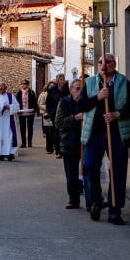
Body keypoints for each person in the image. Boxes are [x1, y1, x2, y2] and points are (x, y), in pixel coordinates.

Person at [75, 53, 130, 226]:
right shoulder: (90, 83)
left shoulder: (124, 82)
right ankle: (95, 201)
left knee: (117, 172)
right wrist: (97, 98)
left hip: (117, 135)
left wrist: (117, 114)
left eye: (107, 61)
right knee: (89, 167)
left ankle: (115, 210)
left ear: (114, 64)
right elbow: (80, 105)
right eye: (100, 62)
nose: (103, 64)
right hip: (94, 134)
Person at [53, 77, 86, 209]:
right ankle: (73, 199)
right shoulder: (64, 102)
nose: (80, 91)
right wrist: (75, 118)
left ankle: (91, 201)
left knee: (88, 172)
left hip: (85, 141)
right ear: (71, 90)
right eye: (77, 89)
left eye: (82, 89)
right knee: (71, 174)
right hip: (69, 142)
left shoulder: (87, 102)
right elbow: (58, 122)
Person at [0, 81, 18, 160]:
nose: (0, 88)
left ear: (6, 87)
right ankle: (0, 154)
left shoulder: (11, 96)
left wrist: (10, 107)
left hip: (8, 120)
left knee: (9, 136)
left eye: (2, 86)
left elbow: (17, 106)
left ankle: (9, 153)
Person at [42, 73, 67, 157]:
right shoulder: (52, 90)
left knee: (64, 132)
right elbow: (48, 102)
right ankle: (58, 150)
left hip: (65, 114)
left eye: (63, 79)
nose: (62, 81)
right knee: (56, 133)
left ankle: (64, 149)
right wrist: (51, 112)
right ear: (57, 81)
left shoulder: (67, 89)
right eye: (61, 79)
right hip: (55, 115)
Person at [14, 79, 38, 148]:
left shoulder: (31, 92)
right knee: (22, 127)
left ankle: (29, 141)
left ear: (27, 85)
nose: (23, 85)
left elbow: (35, 101)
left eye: (24, 84)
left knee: (30, 127)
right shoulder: (19, 93)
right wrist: (17, 109)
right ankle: (23, 143)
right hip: (22, 112)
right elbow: (16, 102)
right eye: (22, 84)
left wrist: (34, 108)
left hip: (30, 112)